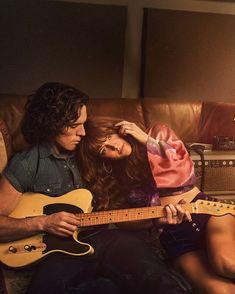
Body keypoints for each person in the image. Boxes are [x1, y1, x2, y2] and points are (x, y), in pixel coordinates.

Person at [0, 83, 188, 294]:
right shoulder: (27, 164)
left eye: (83, 122)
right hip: (58, 250)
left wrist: (157, 219)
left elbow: (121, 214)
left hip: (107, 237)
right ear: (51, 124)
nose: (82, 131)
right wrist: (43, 222)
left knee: (156, 278)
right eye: (74, 125)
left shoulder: (92, 149)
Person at [78, 117, 235, 294]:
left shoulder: (158, 132)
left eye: (108, 137)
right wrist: (156, 221)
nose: (113, 147)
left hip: (208, 212)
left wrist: (146, 140)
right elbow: (123, 221)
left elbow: (181, 164)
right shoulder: (112, 178)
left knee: (226, 263)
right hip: (175, 236)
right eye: (103, 149)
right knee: (221, 292)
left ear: (117, 129)